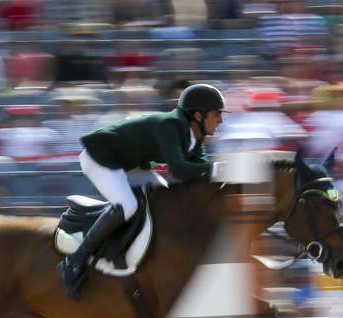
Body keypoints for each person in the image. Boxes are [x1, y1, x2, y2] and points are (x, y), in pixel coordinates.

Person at [59, 83, 227, 287]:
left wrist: (224, 173)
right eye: (217, 114)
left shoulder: (194, 136)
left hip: (129, 163)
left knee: (165, 197)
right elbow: (181, 170)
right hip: (101, 158)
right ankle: (75, 260)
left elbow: (200, 169)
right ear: (198, 115)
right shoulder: (171, 125)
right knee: (128, 206)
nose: (221, 119)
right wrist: (218, 169)